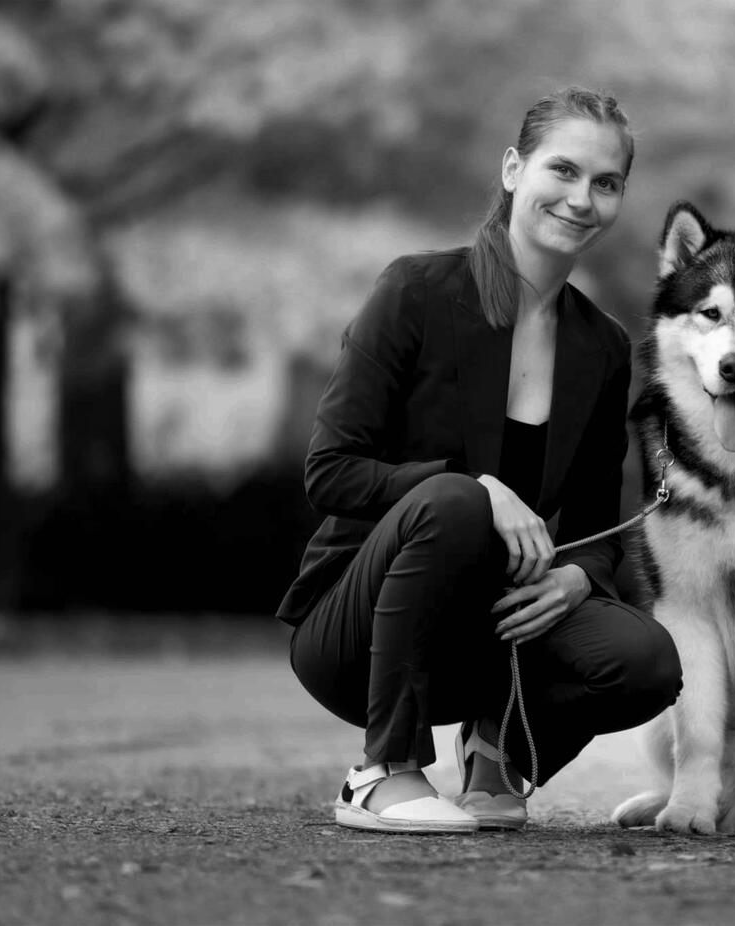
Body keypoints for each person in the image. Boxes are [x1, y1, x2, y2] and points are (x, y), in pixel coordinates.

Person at [277, 87, 682, 834]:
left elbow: (594, 526)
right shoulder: (416, 292)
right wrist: (480, 488)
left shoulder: (600, 347)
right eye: (561, 171)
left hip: (490, 640)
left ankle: (498, 749)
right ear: (511, 170)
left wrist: (576, 576)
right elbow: (330, 470)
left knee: (648, 662)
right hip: (357, 633)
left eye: (605, 183)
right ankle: (380, 773)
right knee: (458, 500)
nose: (580, 199)